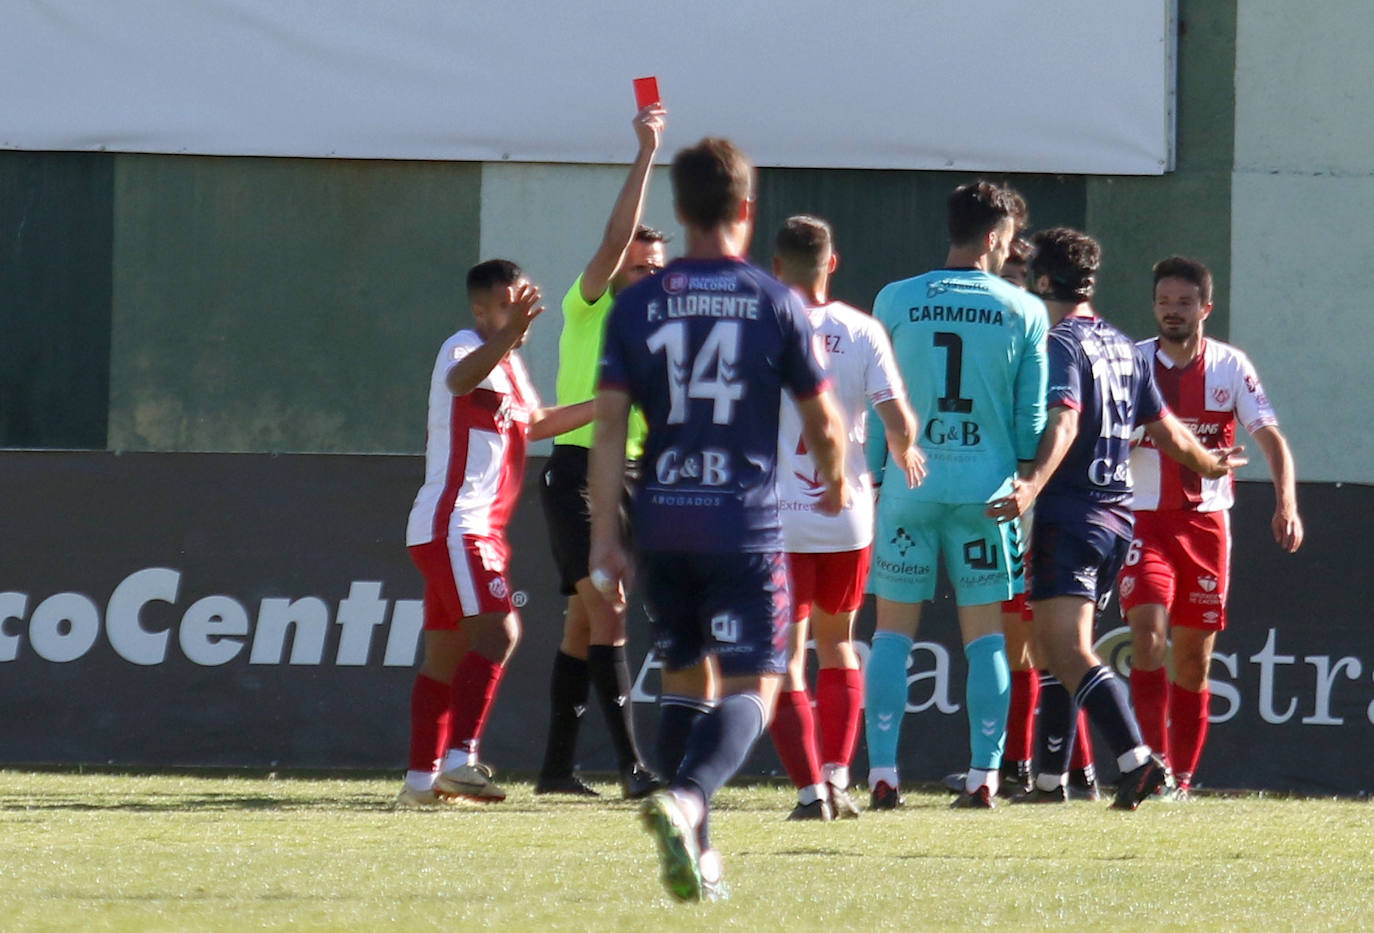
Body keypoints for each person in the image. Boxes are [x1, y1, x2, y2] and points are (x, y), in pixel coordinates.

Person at [589, 137, 848, 901]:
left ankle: (698, 857)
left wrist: (608, 532)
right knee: (754, 687)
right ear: (746, 208)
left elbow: (609, 428)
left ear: (678, 208)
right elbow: (825, 422)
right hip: (742, 526)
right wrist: (835, 483)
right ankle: (691, 797)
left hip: (662, 521)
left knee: (680, 680)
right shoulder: (775, 300)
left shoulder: (637, 302)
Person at [987, 228, 1245, 810]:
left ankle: (1136, 759)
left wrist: (1031, 483)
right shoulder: (1123, 346)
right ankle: (1051, 780)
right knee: (1058, 649)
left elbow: (1065, 423)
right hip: (1117, 519)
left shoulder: (1061, 343)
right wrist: (1210, 464)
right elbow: (1169, 431)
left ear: (1045, 282)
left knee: (1067, 649)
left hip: (1072, 513)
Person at [864, 180, 1048, 809]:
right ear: (995, 237)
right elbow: (1030, 420)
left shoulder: (894, 299)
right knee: (987, 638)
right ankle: (983, 778)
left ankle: (884, 774)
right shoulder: (1024, 309)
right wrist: (1025, 478)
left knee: (891, 635)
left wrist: (874, 474)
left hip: (908, 486)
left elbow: (876, 403)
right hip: (986, 492)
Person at [395, 260, 595, 808]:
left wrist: (611, 402)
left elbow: (535, 424)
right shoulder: (461, 346)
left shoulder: (507, 365)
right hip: (454, 523)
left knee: (445, 656)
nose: (521, 313)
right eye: (509, 304)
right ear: (482, 310)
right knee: (500, 634)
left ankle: (420, 782)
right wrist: (508, 335)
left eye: (523, 301)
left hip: (462, 529)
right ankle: (460, 760)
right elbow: (458, 381)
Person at [1119, 256, 1302, 798]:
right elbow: (1102, 435)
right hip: (1143, 522)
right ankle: (1148, 768)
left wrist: (1285, 505)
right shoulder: (1131, 364)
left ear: (1205, 307)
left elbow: (1270, 437)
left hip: (1204, 527)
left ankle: (1182, 778)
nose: (1172, 312)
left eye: (1183, 302)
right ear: (1153, 306)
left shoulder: (1230, 365)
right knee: (1148, 638)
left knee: (1194, 660)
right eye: (1163, 302)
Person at [768, 215, 924, 821]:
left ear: (776, 268)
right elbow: (899, 422)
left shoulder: (761, 330)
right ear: (832, 264)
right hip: (846, 516)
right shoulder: (862, 330)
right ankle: (836, 776)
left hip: (777, 518)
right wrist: (906, 446)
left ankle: (809, 790)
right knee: (839, 647)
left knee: (786, 659)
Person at [535, 104, 668, 799]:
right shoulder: (591, 303)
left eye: (657, 268)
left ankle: (556, 768)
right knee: (608, 606)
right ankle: (631, 766)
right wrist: (647, 153)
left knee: (583, 620)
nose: (648, 275)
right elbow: (617, 237)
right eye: (640, 266)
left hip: (634, 479)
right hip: (577, 475)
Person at [941, 230, 1100, 801]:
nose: (1006, 292)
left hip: (1032, 492)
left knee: (1034, 637)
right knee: (1027, 639)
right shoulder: (1023, 330)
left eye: (1016, 279)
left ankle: (1032, 765)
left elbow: (1059, 421)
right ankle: (1057, 767)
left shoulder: (1049, 335)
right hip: (1013, 489)